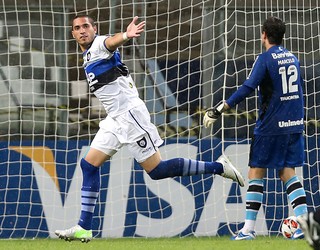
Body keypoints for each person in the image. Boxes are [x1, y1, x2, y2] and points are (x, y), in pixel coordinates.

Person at [54, 15, 244, 242]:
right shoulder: (88, 56)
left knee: (157, 171)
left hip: (131, 116)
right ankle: (84, 227)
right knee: (88, 164)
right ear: (73, 34)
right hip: (115, 119)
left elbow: (110, 42)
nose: (82, 30)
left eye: (86, 26)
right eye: (77, 28)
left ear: (95, 28)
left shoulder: (99, 45)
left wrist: (125, 35)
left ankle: (218, 167)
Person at [203, 16, 308, 240]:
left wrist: (220, 109)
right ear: (282, 36)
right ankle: (303, 223)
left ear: (263, 35)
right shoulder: (293, 58)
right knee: (288, 173)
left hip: (272, 126)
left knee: (255, 172)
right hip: (294, 123)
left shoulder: (265, 58)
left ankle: (248, 229)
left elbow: (248, 87)